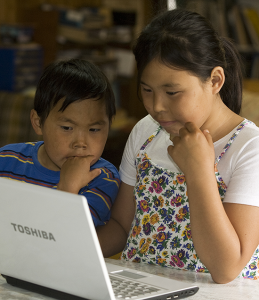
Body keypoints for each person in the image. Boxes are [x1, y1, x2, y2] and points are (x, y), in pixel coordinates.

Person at [97, 8, 259, 283]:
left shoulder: (249, 148)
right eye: (147, 90)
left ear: (215, 81)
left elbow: (226, 268)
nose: (157, 107)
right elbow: (122, 226)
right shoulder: (146, 131)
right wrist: (58, 251)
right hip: (140, 289)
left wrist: (199, 173)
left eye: (172, 92)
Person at [0, 58, 120, 227]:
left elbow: (66, 236)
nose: (81, 143)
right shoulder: (6, 160)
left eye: (93, 130)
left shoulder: (102, 178)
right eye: (67, 128)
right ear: (38, 122)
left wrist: (68, 187)